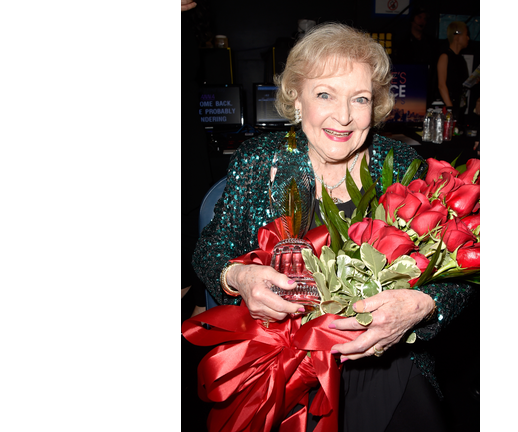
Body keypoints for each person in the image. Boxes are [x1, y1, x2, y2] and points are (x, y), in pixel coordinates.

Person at [192, 22, 474, 431]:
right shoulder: (260, 159)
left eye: (359, 99)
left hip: (381, 358)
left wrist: (425, 306)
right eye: (325, 94)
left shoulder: (401, 165)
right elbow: (210, 248)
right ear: (297, 99)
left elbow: (457, 272)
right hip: (281, 360)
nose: (343, 117)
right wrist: (239, 274)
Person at [436, 21, 470, 110]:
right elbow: (441, 85)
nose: (468, 38)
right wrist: (450, 108)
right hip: (448, 107)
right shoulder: (445, 57)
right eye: (466, 35)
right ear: (457, 37)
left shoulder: (461, 60)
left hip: (459, 106)